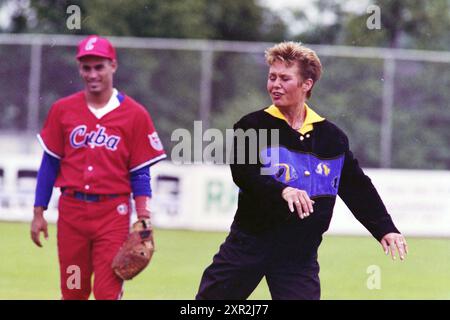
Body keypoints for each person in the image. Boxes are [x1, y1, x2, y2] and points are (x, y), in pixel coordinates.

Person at [196, 41, 408, 300]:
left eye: (285, 78)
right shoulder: (252, 125)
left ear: (306, 84)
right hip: (249, 245)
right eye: (272, 77)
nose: (275, 84)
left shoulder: (332, 137)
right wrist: (282, 191)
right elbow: (244, 173)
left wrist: (385, 228)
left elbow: (356, 187)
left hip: (299, 254)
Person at [30, 35, 166, 300]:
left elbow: (139, 172)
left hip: (112, 214)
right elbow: (50, 163)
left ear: (113, 66)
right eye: (86, 67)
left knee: (107, 293)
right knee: (73, 291)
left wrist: (143, 215)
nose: (92, 74)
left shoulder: (135, 115)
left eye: (99, 66)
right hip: (71, 214)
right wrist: (38, 211)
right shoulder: (63, 110)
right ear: (80, 68)